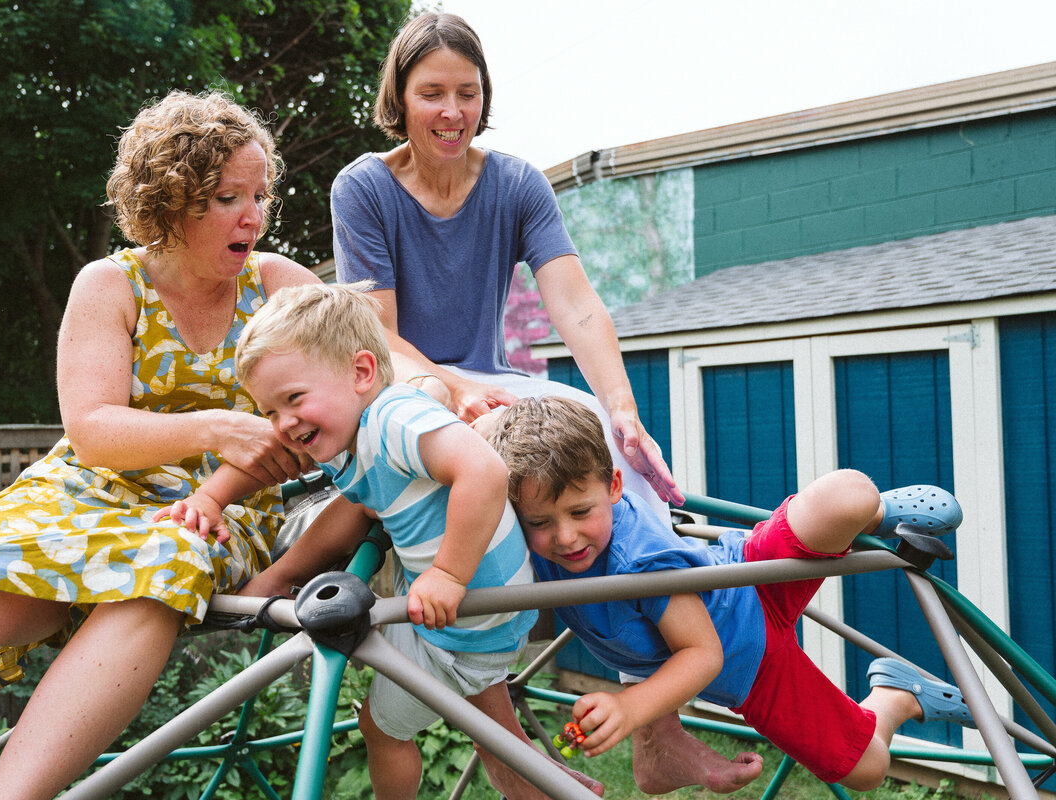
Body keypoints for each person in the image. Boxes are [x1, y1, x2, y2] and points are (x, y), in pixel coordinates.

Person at [0, 90, 321, 800]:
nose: (253, 215)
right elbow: (94, 431)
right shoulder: (112, 284)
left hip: (213, 507)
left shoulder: (281, 287)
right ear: (170, 201)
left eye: (261, 194)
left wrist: (447, 384)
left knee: (167, 562)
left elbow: (361, 369)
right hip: (88, 488)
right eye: (229, 197)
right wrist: (215, 425)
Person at [160, 282, 604, 799]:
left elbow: (483, 471)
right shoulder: (347, 431)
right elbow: (292, 477)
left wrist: (447, 573)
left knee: (380, 729)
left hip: (462, 623)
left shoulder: (395, 418)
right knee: (494, 735)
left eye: (293, 400)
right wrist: (213, 500)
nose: (283, 423)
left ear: (361, 372)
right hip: (467, 617)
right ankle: (560, 789)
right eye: (270, 411)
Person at [487, 396, 971, 794]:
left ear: (614, 486)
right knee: (865, 768)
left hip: (745, 581)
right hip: (758, 669)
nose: (566, 537)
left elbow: (702, 654)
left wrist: (630, 708)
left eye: (579, 512)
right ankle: (895, 695)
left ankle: (876, 515)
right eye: (540, 523)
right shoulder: (538, 541)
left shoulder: (640, 560)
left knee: (847, 496)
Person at [330, 11, 685, 526]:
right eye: (432, 93)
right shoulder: (362, 189)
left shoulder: (518, 184)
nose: (453, 112)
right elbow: (376, 333)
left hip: (494, 386)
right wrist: (454, 389)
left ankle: (649, 582)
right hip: (404, 386)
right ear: (399, 99)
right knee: (484, 462)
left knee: (603, 436)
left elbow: (576, 305)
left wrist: (622, 409)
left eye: (467, 93)